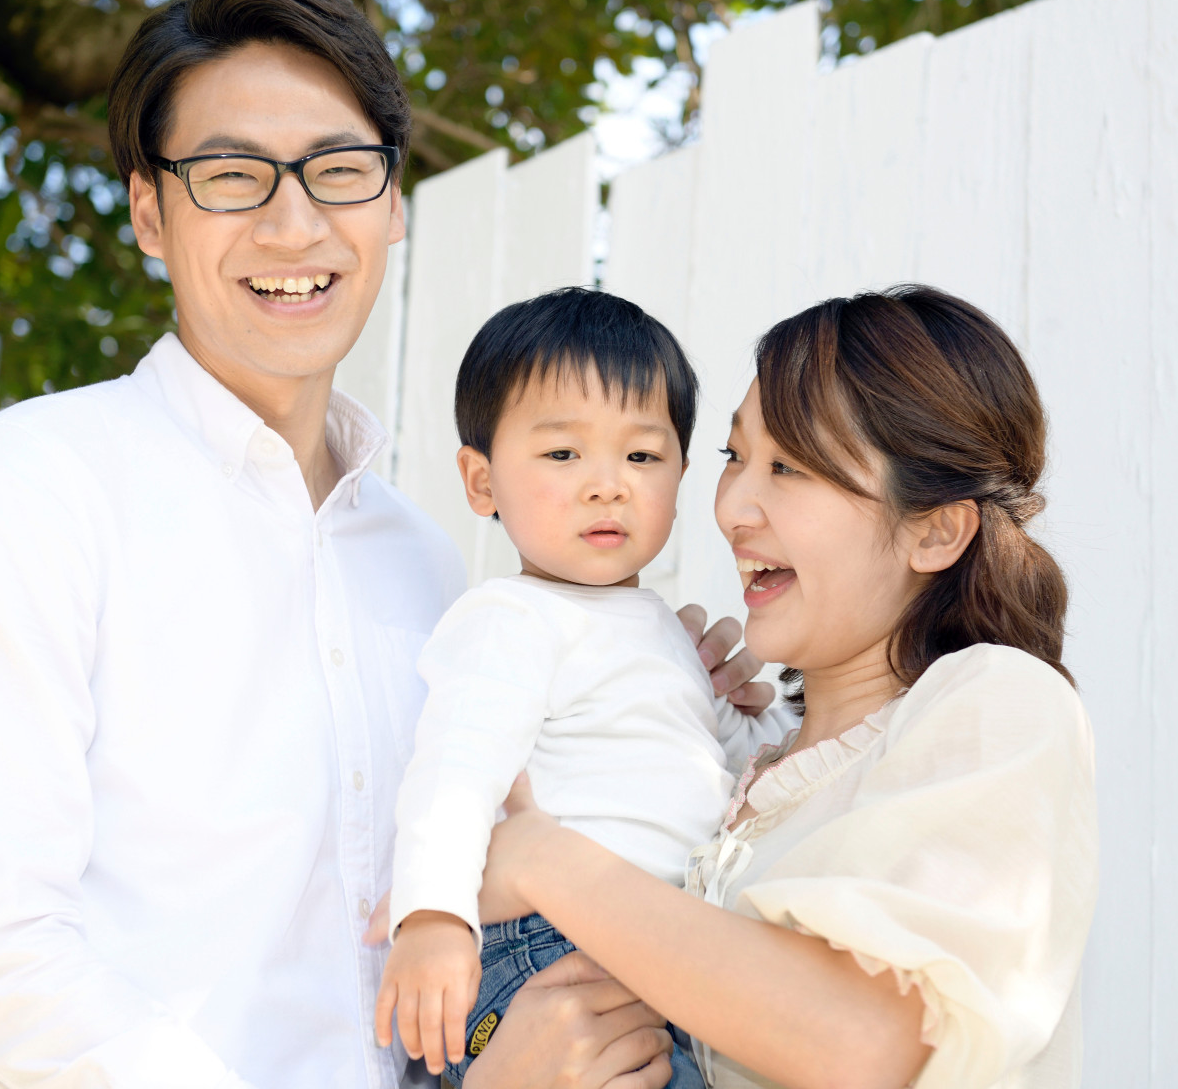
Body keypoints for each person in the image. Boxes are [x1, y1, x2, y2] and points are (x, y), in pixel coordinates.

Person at [0, 0, 762, 1089]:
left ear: (393, 205)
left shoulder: (427, 563)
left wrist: (657, 688)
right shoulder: (27, 490)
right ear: (150, 212)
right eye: (231, 176)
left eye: (339, 171)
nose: (294, 224)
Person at [455, 287, 1099, 1089]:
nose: (732, 508)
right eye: (734, 457)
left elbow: (867, 1042)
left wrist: (546, 861)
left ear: (935, 529)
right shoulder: (738, 773)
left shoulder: (997, 702)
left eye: (790, 467)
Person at [373, 289, 791, 1086]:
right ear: (481, 481)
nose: (608, 485)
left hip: (660, 941)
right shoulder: (510, 618)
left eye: (642, 457)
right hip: (547, 946)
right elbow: (454, 774)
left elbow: (742, 772)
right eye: (563, 455)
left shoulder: (665, 631)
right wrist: (432, 917)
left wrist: (755, 727)